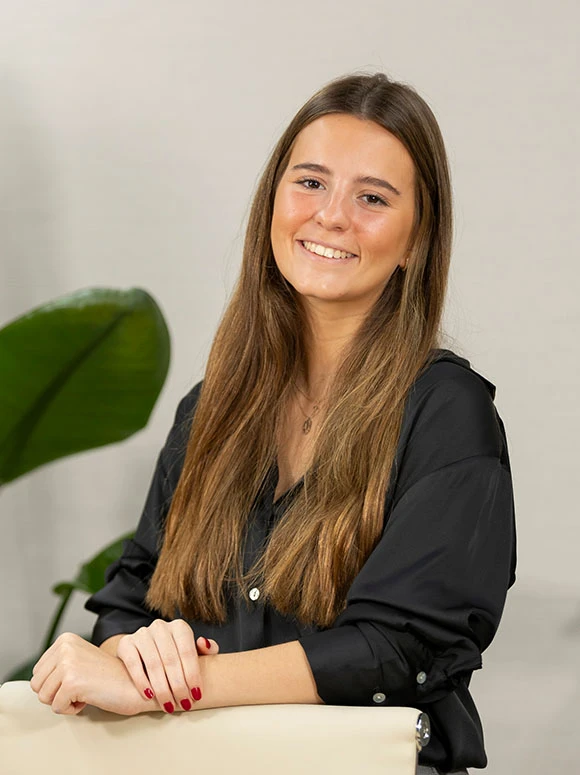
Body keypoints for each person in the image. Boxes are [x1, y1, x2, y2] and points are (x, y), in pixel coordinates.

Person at [30, 72, 516, 774]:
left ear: (416, 240)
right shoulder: (211, 410)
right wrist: (135, 652)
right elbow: (129, 599)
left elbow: (400, 649)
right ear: (272, 205)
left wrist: (179, 685)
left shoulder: (446, 414)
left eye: (373, 197)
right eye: (310, 183)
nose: (332, 215)